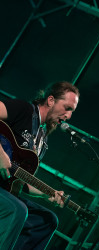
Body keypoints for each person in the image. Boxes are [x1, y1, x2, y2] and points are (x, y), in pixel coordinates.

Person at [0, 81, 80, 249]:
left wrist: (48, 194)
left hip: (4, 189)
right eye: (67, 108)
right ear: (51, 100)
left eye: (72, 111)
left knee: (47, 220)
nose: (69, 116)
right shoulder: (24, 110)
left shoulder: (42, 141)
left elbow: (22, 180)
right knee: (18, 210)